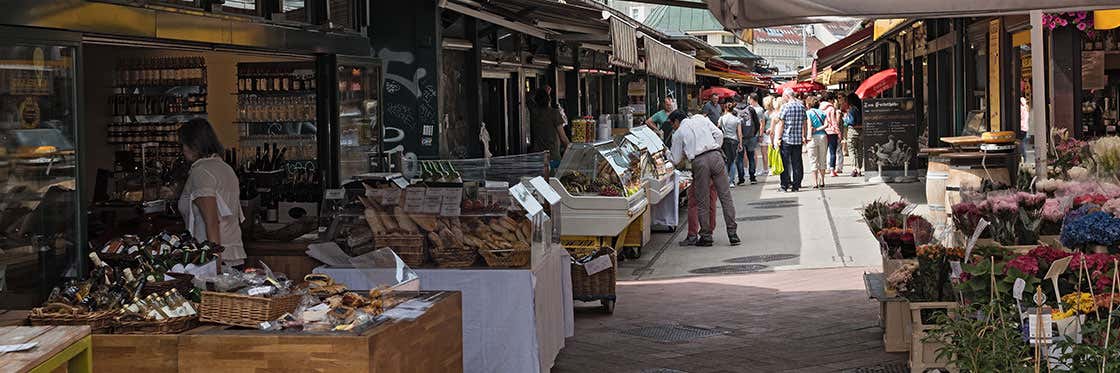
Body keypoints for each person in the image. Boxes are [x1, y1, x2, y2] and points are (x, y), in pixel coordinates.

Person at [178, 118, 246, 267]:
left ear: (193, 145)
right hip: (233, 256)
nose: (182, 149)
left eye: (183, 144)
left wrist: (215, 264)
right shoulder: (224, 168)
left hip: (213, 260)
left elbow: (212, 221)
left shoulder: (201, 171)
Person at [668, 110, 739, 247]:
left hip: (699, 162)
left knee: (702, 200)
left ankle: (706, 236)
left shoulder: (679, 133)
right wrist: (715, 148)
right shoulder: (701, 118)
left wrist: (667, 153)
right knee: (726, 197)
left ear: (676, 121)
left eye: (673, 125)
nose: (673, 127)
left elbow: (676, 159)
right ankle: (732, 233)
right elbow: (718, 134)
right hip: (716, 156)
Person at [774, 90, 808, 192]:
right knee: (796, 163)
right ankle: (796, 185)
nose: (783, 98)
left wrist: (778, 138)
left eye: (783, 96)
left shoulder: (786, 107)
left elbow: (781, 124)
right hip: (798, 140)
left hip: (786, 139)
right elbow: (805, 123)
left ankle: (784, 185)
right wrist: (804, 135)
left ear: (787, 96)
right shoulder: (801, 106)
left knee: (785, 163)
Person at [529, 88, 570, 163]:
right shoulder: (554, 113)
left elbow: (529, 99)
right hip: (552, 156)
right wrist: (571, 152)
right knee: (553, 174)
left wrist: (544, 92)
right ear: (549, 100)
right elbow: (563, 137)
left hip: (538, 156)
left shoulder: (534, 113)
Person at [738, 93, 765, 184]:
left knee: (740, 158)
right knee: (751, 157)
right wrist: (754, 133)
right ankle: (752, 177)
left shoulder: (735, 110)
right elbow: (757, 123)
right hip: (751, 136)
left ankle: (741, 179)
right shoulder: (751, 109)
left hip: (741, 137)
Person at [718, 99, 743, 188]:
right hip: (734, 141)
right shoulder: (737, 119)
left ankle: (725, 180)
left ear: (725, 109)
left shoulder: (721, 118)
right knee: (732, 161)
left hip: (724, 140)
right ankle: (731, 181)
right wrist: (740, 143)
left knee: (725, 161)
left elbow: (718, 130)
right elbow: (739, 133)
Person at [805, 96, 829, 189]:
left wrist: (809, 136)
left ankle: (815, 182)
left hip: (813, 138)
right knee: (822, 159)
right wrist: (819, 129)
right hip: (823, 136)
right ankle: (822, 180)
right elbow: (826, 125)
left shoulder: (808, 113)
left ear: (809, 104)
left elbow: (809, 125)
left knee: (813, 160)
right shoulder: (823, 112)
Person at [820, 92, 843, 176]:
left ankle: (823, 168)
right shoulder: (831, 109)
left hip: (822, 131)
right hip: (832, 131)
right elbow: (834, 122)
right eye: (833, 100)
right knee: (832, 152)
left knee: (823, 152)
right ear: (830, 100)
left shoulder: (820, 108)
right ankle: (832, 170)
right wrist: (838, 132)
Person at [843, 93, 864, 177]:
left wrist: (845, 119)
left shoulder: (852, 110)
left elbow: (850, 122)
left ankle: (854, 168)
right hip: (861, 131)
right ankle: (859, 169)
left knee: (852, 150)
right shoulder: (862, 108)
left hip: (852, 131)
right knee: (860, 150)